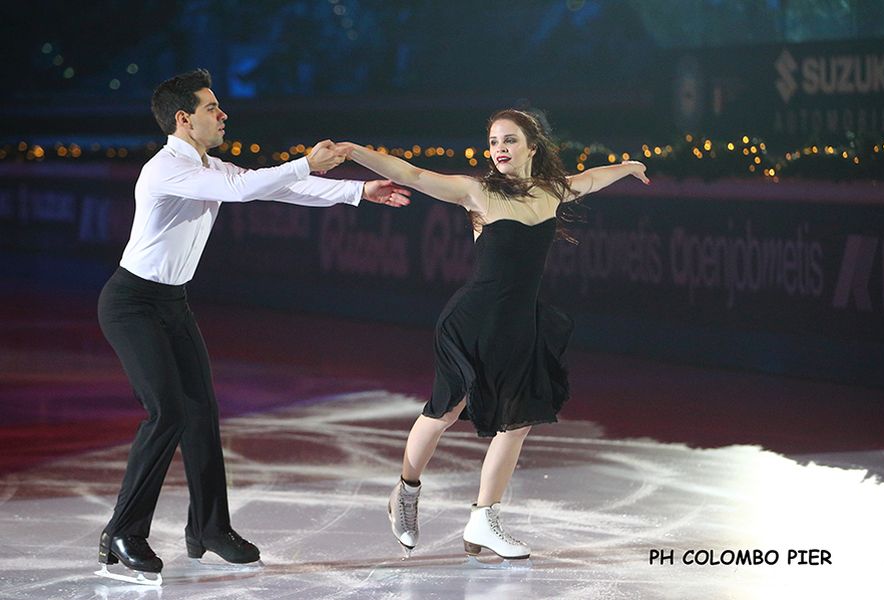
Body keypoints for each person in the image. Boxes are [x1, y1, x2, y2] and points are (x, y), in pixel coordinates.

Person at [95, 68, 409, 584]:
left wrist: (357, 191)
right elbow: (245, 188)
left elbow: (278, 188)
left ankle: (209, 529)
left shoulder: (208, 165)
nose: (223, 115)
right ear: (184, 119)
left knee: (201, 412)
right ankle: (122, 534)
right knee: (167, 412)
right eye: (212, 108)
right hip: (132, 304)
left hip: (172, 303)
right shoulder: (165, 169)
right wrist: (306, 160)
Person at [337, 109, 648, 561]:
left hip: (519, 324)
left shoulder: (551, 191)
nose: (499, 149)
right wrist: (353, 152)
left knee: (518, 422)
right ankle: (405, 492)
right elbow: (412, 174)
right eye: (494, 142)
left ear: (532, 147)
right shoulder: (477, 192)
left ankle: (484, 519)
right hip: (472, 321)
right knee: (445, 411)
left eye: (509, 140)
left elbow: (592, 179)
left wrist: (626, 167)